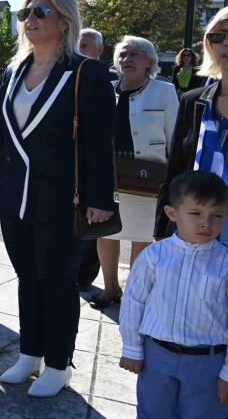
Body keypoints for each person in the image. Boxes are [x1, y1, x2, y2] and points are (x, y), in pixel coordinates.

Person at [0, 0, 115, 397]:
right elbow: (3, 131)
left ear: (64, 20)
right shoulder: (14, 71)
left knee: (56, 280)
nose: (30, 19)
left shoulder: (87, 72)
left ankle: (59, 362)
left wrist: (100, 198)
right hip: (16, 194)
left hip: (63, 197)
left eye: (40, 11)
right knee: (26, 278)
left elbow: (99, 141)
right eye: (25, 12)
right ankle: (30, 353)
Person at [120, 171, 228, 418]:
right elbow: (134, 303)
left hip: (208, 364)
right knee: (152, 414)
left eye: (217, 215)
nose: (206, 223)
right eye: (196, 213)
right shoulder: (154, 256)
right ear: (172, 213)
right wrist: (132, 348)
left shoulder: (225, 263)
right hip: (157, 357)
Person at [91, 36, 178, 310]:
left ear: (149, 61)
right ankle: (110, 288)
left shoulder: (164, 91)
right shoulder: (105, 90)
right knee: (106, 233)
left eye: (136, 54)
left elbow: (174, 136)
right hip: (108, 177)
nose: (128, 59)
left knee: (141, 236)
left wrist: (173, 179)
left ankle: (135, 294)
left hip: (147, 179)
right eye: (123, 54)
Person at [157, 6, 228, 243]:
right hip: (196, 234)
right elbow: (176, 169)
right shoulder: (193, 101)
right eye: (218, 36)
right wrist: (161, 230)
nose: (225, 43)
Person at [75, 28, 115, 292]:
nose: (81, 49)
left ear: (100, 50)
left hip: (97, 164)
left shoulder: (107, 77)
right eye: (79, 44)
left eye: (87, 45)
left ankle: (86, 275)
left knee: (91, 228)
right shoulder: (68, 72)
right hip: (72, 164)